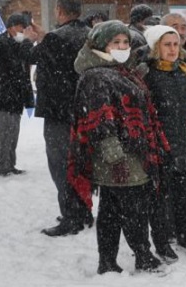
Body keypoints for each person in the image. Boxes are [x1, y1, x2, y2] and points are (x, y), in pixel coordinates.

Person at [66, 20, 166, 274]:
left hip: (127, 150)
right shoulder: (97, 75)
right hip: (119, 155)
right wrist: (114, 154)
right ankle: (142, 255)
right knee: (133, 209)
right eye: (115, 42)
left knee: (111, 210)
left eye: (125, 42)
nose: (122, 47)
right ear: (101, 45)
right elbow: (100, 118)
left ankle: (107, 261)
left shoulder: (118, 70)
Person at [143, 25, 186, 261]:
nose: (173, 49)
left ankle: (185, 236)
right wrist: (158, 146)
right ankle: (162, 243)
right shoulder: (148, 76)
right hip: (161, 148)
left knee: (184, 196)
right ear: (155, 48)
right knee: (160, 200)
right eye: (167, 45)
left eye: (175, 44)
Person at [28, 0, 95, 236]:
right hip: (86, 111)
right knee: (81, 164)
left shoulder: (57, 38)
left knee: (61, 166)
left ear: (59, 10)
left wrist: (34, 40)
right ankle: (84, 210)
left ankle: (72, 217)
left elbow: (34, 58)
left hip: (59, 113)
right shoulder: (89, 34)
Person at [0, 13, 35, 177]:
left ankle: (10, 165)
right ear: (10, 27)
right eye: (22, 27)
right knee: (3, 131)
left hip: (16, 98)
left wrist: (28, 99)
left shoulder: (23, 45)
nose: (24, 31)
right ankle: (2, 167)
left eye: (26, 27)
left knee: (13, 133)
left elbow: (26, 70)